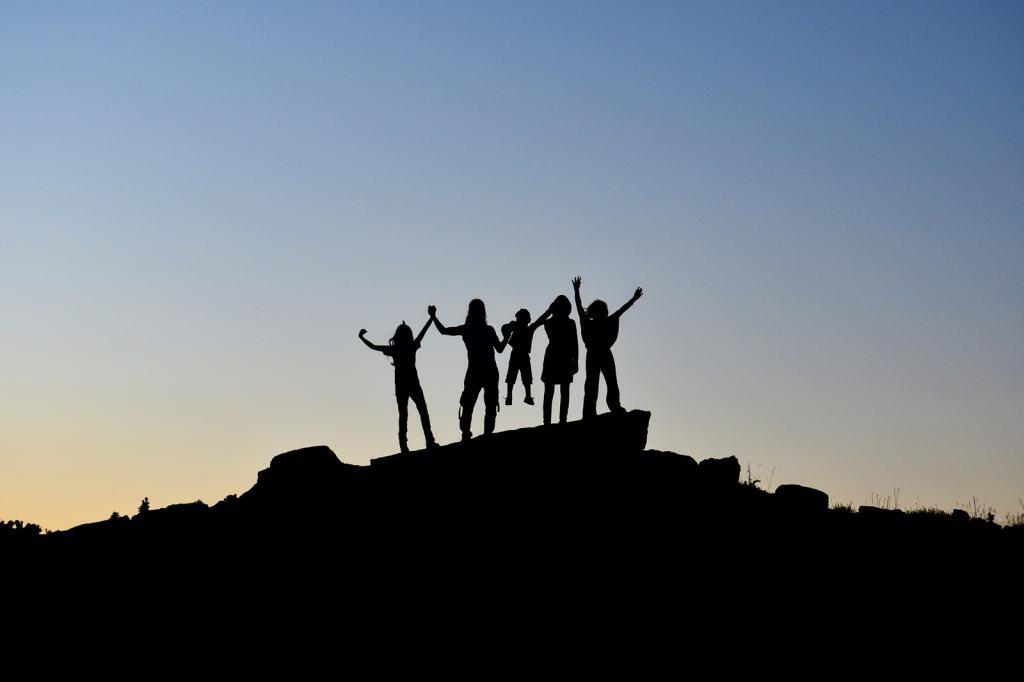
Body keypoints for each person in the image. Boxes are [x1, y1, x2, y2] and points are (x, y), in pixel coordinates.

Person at [429, 300, 510, 440]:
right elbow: (444, 331)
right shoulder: (472, 329)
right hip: (480, 370)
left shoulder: (480, 329)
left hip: (485, 370)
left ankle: (479, 433)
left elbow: (500, 348)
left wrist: (433, 317)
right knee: (472, 403)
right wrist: (433, 317)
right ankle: (472, 432)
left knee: (480, 403)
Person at [359, 319, 437, 453]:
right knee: (422, 411)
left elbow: (373, 346)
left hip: (401, 385)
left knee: (404, 414)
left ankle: (404, 444)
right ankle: (429, 440)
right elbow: (424, 331)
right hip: (413, 384)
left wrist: (361, 337)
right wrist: (431, 317)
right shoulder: (411, 346)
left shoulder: (394, 349)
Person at [572, 276, 643, 419]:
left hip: (602, 354)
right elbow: (579, 308)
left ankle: (613, 406)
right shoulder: (590, 323)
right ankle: (590, 412)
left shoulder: (605, 321)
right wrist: (576, 291)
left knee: (610, 382)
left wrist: (633, 299)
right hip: (595, 354)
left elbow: (622, 310)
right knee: (593, 384)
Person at [539, 294, 578, 425]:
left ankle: (562, 420)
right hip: (553, 357)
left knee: (563, 391)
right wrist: (550, 311)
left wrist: (575, 361)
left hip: (563, 358)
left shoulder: (569, 322)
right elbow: (537, 323)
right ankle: (548, 422)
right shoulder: (550, 322)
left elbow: (575, 344)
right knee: (550, 391)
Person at [502, 307, 552, 406]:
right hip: (520, 354)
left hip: (519, 354)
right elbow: (540, 320)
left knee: (523, 377)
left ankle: (516, 396)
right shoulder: (527, 328)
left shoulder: (525, 328)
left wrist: (550, 312)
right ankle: (518, 396)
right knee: (521, 377)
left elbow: (540, 320)